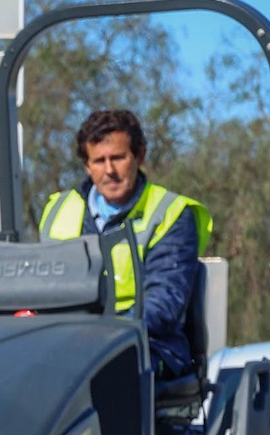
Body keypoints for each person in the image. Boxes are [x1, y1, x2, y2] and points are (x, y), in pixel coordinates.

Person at [39, 107, 212, 384]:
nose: (109, 171)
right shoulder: (58, 211)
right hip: (69, 346)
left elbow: (165, 303)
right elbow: (36, 285)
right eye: (99, 161)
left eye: (118, 158)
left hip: (151, 347)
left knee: (104, 376)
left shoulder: (170, 214)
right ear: (86, 165)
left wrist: (102, 334)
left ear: (139, 155)